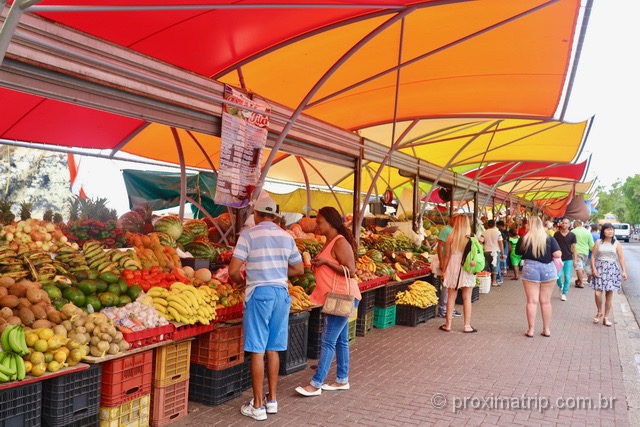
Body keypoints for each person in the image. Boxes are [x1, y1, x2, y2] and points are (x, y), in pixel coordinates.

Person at [228, 197, 304, 421]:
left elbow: (233, 270)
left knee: (257, 349)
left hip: (259, 295)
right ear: (275, 215)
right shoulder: (286, 236)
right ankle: (272, 401)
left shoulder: (249, 235)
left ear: (257, 214)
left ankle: (258, 406)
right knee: (273, 349)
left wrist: (244, 280)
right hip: (281, 294)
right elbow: (299, 269)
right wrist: (278, 273)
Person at [296, 206, 362, 397]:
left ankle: (316, 384)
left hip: (343, 297)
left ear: (331, 223)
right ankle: (342, 379)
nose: (316, 225)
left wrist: (326, 263)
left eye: (319, 222)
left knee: (327, 340)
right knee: (340, 340)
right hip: (335, 297)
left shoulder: (340, 242)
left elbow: (351, 270)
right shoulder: (329, 241)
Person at [515, 216, 562, 338]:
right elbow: (557, 254)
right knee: (546, 302)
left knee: (531, 301)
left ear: (529, 225)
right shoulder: (549, 239)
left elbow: (517, 253)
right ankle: (546, 329)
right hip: (548, 269)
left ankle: (531, 330)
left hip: (530, 268)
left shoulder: (524, 239)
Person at [439, 215, 479, 333]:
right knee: (467, 297)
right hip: (467, 267)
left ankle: (448, 324)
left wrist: (444, 270)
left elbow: (446, 256)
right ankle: (467, 326)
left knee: (451, 297)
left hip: (453, 266)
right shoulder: (472, 237)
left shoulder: (451, 236)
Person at [590, 223, 628, 327]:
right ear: (603, 231)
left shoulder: (616, 243)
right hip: (600, 268)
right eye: (608, 230)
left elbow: (621, 258)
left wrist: (624, 271)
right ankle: (599, 311)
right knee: (597, 293)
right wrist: (593, 268)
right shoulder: (598, 242)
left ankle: (606, 317)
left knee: (609, 294)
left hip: (612, 269)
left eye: (612, 230)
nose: (610, 231)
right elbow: (593, 256)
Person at [436, 217, 461, 318]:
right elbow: (439, 245)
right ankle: (442, 308)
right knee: (446, 285)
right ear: (452, 220)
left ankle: (450, 308)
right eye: (456, 220)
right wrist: (441, 261)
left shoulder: (456, 230)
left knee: (452, 285)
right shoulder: (446, 229)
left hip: (453, 261)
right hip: (447, 260)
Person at [554, 217, 577, 301]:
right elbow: (554, 247)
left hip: (568, 258)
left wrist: (575, 260)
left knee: (567, 277)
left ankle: (564, 293)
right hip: (558, 258)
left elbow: (574, 248)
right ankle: (561, 286)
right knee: (557, 276)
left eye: (566, 223)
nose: (564, 224)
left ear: (569, 225)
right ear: (561, 224)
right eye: (563, 223)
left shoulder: (572, 235)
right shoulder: (556, 234)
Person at [479, 219, 503, 287]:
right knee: (495, 266)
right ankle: (494, 281)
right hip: (495, 251)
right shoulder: (498, 233)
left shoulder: (484, 233)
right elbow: (500, 243)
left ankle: (486, 280)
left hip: (486, 251)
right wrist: (502, 253)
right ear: (495, 225)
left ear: (487, 225)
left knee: (486, 266)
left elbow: (480, 242)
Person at [571, 219, 594, 288]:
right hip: (585, 252)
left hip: (576, 252)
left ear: (576, 224)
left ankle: (581, 283)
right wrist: (593, 252)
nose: (573, 226)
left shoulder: (573, 231)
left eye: (574, 224)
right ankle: (578, 280)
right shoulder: (587, 232)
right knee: (581, 267)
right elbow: (591, 244)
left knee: (579, 267)